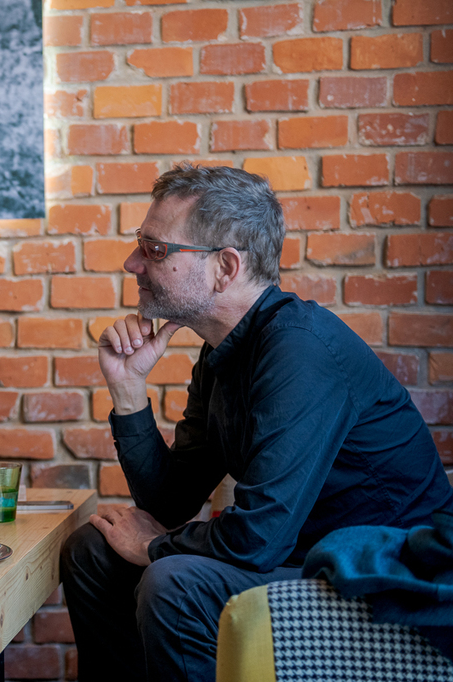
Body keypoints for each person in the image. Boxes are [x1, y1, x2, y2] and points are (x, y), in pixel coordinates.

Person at [59, 163, 453, 682]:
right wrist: (128, 390)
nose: (132, 263)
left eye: (154, 249)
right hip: (298, 558)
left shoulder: (299, 351)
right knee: (92, 551)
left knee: (174, 584)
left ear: (225, 267)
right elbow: (170, 503)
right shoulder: (221, 352)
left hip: (380, 580)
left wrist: (153, 546)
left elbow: (257, 539)